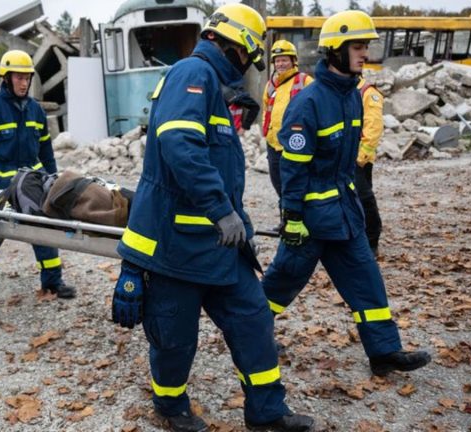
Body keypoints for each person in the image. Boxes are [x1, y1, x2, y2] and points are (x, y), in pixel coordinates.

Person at [110, 4, 315, 432]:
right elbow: (181, 148)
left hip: (221, 249)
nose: (247, 68)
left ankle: (267, 411)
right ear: (237, 46)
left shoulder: (214, 88)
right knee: (174, 339)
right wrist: (222, 212)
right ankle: (170, 407)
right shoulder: (192, 73)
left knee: (254, 320)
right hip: (179, 249)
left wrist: (239, 223)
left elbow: (222, 173)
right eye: (249, 58)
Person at [262, 10, 431, 377]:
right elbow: (293, 168)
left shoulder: (353, 96)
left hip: (344, 215)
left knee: (367, 282)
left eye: (366, 46)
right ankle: (248, 336)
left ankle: (385, 352)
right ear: (335, 50)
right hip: (309, 222)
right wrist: (291, 217)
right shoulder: (308, 103)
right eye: (357, 46)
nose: (364, 53)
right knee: (280, 285)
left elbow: (348, 164)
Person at [0, 50, 76, 298]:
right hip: (0, 182)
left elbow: (46, 149)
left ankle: (52, 282)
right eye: (19, 77)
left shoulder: (36, 110)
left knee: (42, 226)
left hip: (31, 180)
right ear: (6, 78)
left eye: (27, 78)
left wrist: (52, 177)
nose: (24, 83)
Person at [261, 39, 313, 199]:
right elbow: (265, 110)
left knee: (296, 186)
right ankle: (285, 220)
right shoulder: (270, 84)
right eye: (277, 61)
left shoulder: (305, 81)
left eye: (284, 60)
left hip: (295, 144)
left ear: (293, 61)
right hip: (273, 145)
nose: (280, 64)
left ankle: (298, 219)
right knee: (279, 186)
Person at [355, 77, 384, 255]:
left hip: (358, 158)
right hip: (344, 155)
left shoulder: (368, 92)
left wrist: (360, 158)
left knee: (363, 197)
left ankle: (372, 238)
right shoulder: (343, 92)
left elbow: (373, 128)